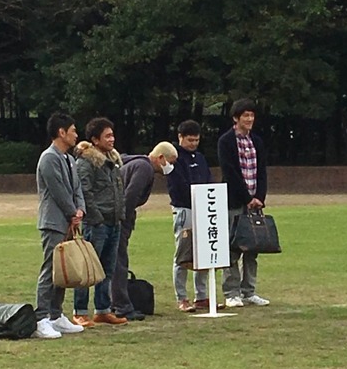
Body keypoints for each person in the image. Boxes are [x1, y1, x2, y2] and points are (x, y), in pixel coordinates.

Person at [110, 142, 178, 320]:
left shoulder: (135, 162)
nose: (171, 167)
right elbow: (130, 196)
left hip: (114, 216)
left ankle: (113, 303)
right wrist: (125, 218)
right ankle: (121, 305)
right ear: (161, 158)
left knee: (114, 260)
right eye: (171, 162)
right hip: (119, 219)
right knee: (119, 260)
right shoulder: (144, 168)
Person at [33, 112, 86, 339]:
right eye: (73, 130)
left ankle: (56, 315)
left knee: (63, 271)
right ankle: (41, 317)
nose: (76, 135)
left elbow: (76, 189)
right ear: (61, 132)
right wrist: (71, 211)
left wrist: (80, 209)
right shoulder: (48, 158)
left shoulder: (69, 159)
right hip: (53, 222)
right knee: (50, 269)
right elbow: (58, 191)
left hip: (67, 221)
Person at [73, 117, 126, 327]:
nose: (112, 139)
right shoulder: (86, 162)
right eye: (107, 135)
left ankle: (102, 309)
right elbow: (85, 191)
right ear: (95, 140)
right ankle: (80, 311)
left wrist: (119, 215)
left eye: (112, 135)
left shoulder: (112, 161)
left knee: (107, 268)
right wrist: (96, 218)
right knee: (87, 269)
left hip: (114, 221)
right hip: (97, 224)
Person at [217, 98, 270, 308]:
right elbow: (230, 172)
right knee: (232, 247)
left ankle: (249, 291)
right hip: (233, 201)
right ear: (236, 118)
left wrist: (259, 197)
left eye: (252, 115)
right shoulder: (226, 141)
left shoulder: (256, 141)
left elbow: (262, 172)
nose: (249, 119)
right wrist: (247, 198)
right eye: (245, 115)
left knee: (253, 247)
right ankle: (231, 292)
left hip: (254, 203)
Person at [166, 120, 213, 312]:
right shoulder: (174, 159)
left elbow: (208, 179)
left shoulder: (200, 158)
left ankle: (201, 296)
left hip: (203, 208)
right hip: (185, 209)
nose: (193, 143)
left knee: (203, 253)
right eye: (190, 140)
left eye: (196, 140)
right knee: (183, 254)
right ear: (180, 137)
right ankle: (182, 297)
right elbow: (177, 186)